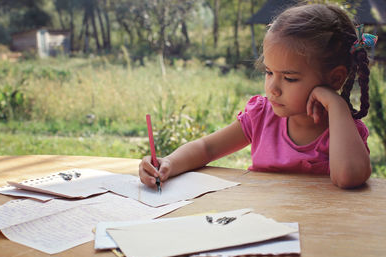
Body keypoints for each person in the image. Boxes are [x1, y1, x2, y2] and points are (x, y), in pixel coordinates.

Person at [139, 3, 377, 189]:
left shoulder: (342, 130)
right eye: (269, 72)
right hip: (264, 229)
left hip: (318, 234)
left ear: (335, 79)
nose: (272, 88)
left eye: (290, 78)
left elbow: (348, 178)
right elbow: (207, 148)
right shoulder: (262, 116)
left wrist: (336, 105)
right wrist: (169, 162)